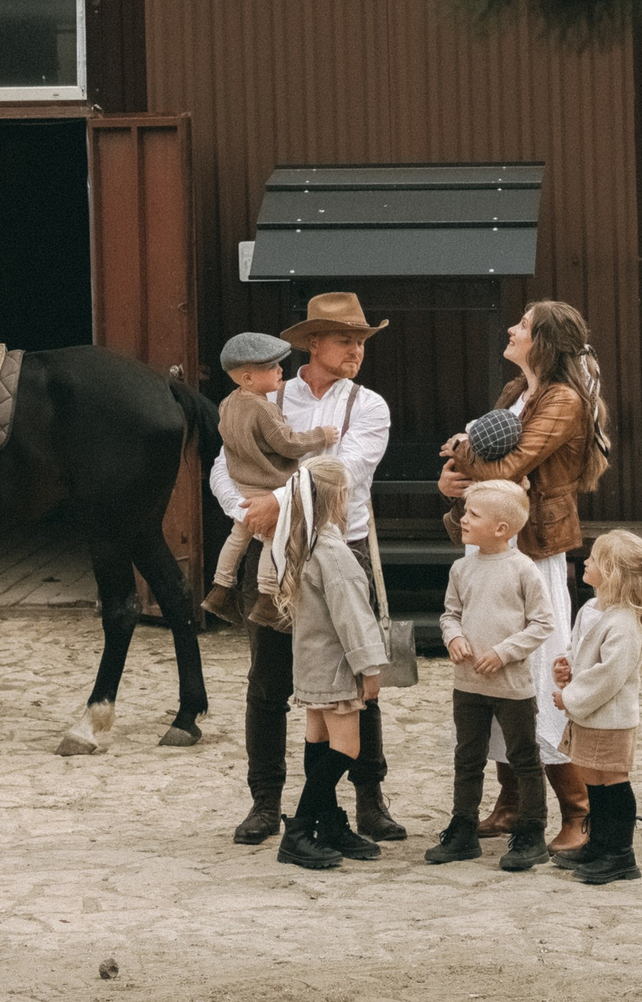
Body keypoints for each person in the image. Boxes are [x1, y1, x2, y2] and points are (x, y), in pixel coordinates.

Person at [212, 291, 405, 845]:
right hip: (270, 547)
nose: (356, 351)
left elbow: (342, 471)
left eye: (361, 342)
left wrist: (277, 502)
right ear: (312, 343)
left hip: (344, 548)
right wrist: (246, 511)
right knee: (268, 679)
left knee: (359, 677)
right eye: (346, 340)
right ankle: (265, 801)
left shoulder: (369, 406)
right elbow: (224, 463)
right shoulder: (266, 394)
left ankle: (369, 799)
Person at [437, 299, 614, 853]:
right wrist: (453, 479)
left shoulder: (562, 400)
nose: (512, 330)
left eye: (523, 326)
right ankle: (512, 802)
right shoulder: (517, 391)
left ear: (545, 343)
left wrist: (460, 452)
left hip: (532, 546)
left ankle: (578, 811)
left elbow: (510, 466)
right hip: (493, 540)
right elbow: (486, 468)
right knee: (490, 669)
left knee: (536, 674)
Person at [426, 480, 556, 871]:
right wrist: (453, 637)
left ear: (501, 529)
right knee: (467, 757)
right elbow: (450, 614)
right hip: (467, 685)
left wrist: (503, 653)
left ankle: (532, 832)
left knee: (524, 758)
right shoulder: (461, 568)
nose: (463, 519)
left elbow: (542, 623)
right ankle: (463, 829)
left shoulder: (523, 569)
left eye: (473, 514)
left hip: (511, 687)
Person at [273, 456, 387, 870]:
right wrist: (369, 666)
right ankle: (300, 830)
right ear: (338, 496)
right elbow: (352, 616)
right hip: (337, 667)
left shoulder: (304, 545)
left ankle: (330, 823)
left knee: (318, 741)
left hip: (310, 663)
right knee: (347, 749)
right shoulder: (335, 552)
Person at [548, 528, 642, 884]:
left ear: (612, 574)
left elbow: (607, 676)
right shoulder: (592, 609)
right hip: (591, 716)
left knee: (612, 780)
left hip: (609, 719)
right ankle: (598, 844)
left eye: (594, 559)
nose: (586, 562)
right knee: (592, 779)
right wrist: (566, 666)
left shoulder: (624, 624)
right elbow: (580, 649)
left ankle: (620, 853)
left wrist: (569, 698)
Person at [202, 332, 337, 624]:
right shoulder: (263, 408)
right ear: (248, 378)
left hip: (243, 486)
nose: (280, 370)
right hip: (268, 487)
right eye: (271, 367)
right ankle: (267, 598)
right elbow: (287, 443)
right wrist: (321, 436)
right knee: (272, 538)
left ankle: (220, 588)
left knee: (238, 536)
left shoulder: (228, 403)